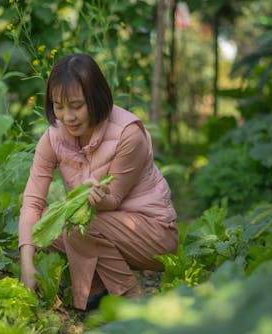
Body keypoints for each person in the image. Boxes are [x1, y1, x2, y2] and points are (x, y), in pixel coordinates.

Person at [18, 53, 178, 310]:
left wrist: (100, 200)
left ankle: (130, 301)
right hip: (101, 226)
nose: (67, 116)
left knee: (78, 225)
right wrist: (28, 265)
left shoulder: (129, 134)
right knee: (43, 223)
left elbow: (113, 200)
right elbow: (32, 203)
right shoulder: (53, 138)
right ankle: (99, 288)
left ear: (95, 98)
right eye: (58, 106)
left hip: (153, 234)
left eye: (76, 105)